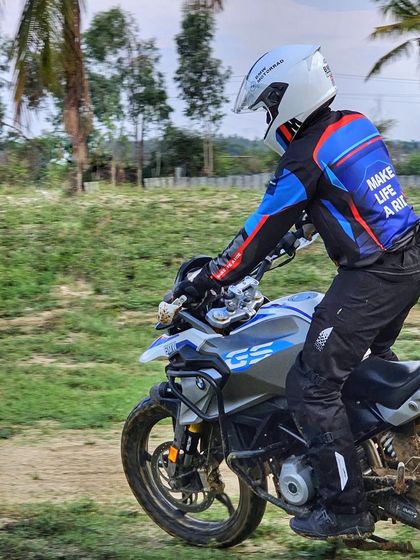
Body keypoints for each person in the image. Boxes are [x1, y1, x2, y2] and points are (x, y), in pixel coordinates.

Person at [173, 44, 420, 539]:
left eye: (269, 103)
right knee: (359, 366)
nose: (268, 116)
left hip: (374, 274)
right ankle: (384, 463)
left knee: (310, 385)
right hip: (409, 257)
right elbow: (347, 197)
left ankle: (346, 508)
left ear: (289, 97)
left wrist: (209, 279)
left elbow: (259, 227)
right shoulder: (353, 124)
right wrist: (300, 230)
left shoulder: (303, 155)